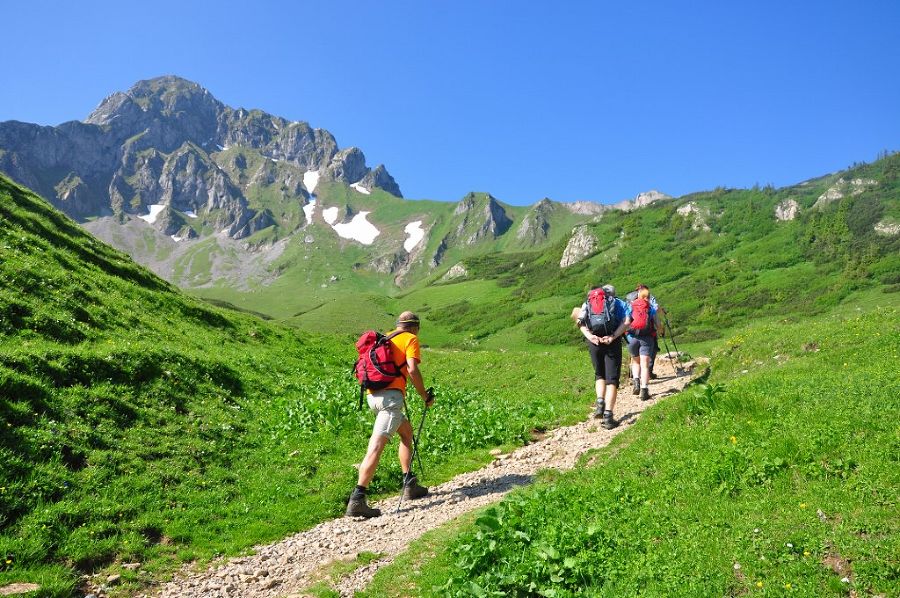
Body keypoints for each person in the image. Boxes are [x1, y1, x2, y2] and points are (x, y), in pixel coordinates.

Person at [345, 311, 435, 518]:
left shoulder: (386, 337)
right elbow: (412, 370)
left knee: (406, 433)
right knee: (376, 447)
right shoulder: (410, 339)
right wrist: (424, 396)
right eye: (418, 329)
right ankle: (357, 498)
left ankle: (409, 483)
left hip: (373, 397)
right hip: (390, 401)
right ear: (414, 327)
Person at [573, 284, 629, 430]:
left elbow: (579, 322)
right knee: (612, 380)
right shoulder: (617, 302)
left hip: (594, 343)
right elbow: (628, 321)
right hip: (612, 342)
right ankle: (609, 416)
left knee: (599, 374)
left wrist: (590, 337)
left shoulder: (588, 303)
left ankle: (599, 403)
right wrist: (614, 336)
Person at [625, 285, 662, 401]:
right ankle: (644, 390)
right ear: (649, 297)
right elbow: (658, 324)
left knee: (636, 362)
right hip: (646, 339)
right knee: (645, 365)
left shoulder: (630, 306)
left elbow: (625, 322)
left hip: (632, 338)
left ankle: (636, 381)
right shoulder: (650, 309)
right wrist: (661, 331)